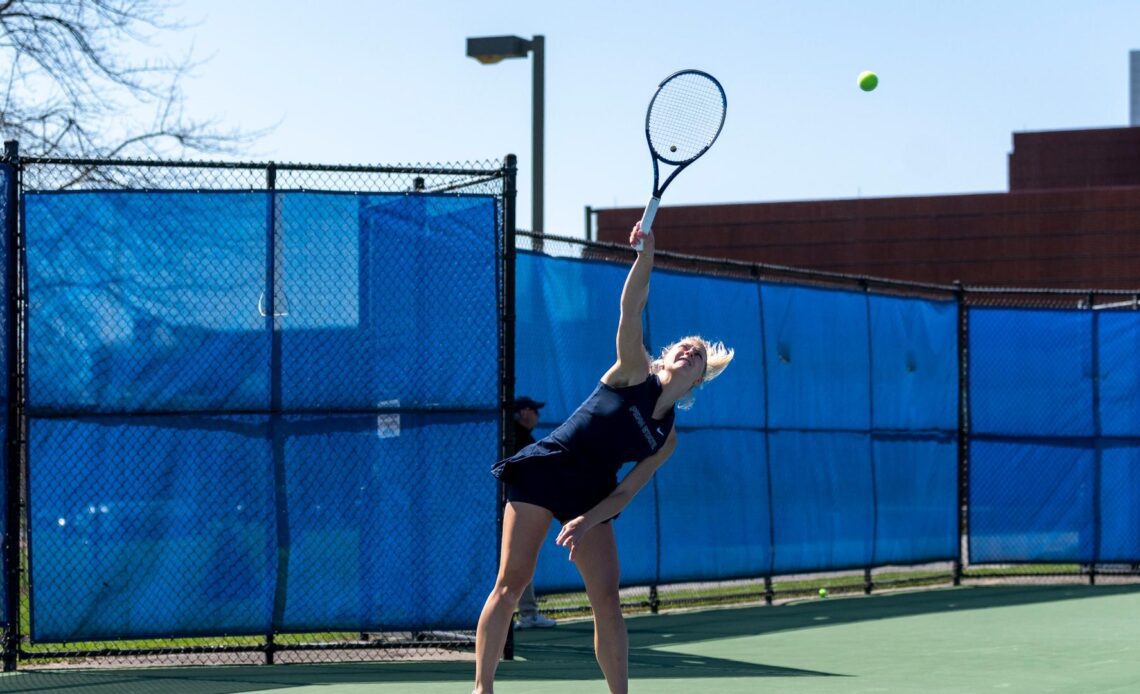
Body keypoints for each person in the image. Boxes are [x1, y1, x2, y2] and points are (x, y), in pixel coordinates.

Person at [473, 221, 735, 694]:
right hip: (547, 469)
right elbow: (631, 307)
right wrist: (645, 256)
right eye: (683, 346)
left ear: (698, 380)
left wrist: (587, 520)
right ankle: (482, 689)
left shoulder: (667, 437)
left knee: (607, 600)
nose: (689, 351)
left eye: (697, 355)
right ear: (664, 356)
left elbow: (626, 491)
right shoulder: (632, 369)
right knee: (512, 583)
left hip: (592, 494)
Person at [510, 396, 557, 629]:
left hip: (514, 508)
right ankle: (527, 614)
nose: (538, 416)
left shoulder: (517, 437)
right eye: (535, 411)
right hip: (515, 509)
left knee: (517, 563)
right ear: (525, 413)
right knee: (519, 562)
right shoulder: (517, 439)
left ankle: (527, 613)